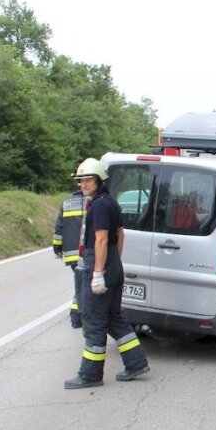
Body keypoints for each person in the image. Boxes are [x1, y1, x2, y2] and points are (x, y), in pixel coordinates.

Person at [64, 158, 150, 389]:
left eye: (88, 180)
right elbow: (120, 236)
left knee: (93, 320)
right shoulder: (111, 202)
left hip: (100, 262)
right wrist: (113, 264)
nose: (83, 184)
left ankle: (90, 375)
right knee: (113, 318)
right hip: (112, 262)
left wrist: (98, 272)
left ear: (99, 181)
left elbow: (101, 240)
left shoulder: (99, 206)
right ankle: (136, 363)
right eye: (81, 180)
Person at [52, 185, 85, 328]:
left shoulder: (67, 202)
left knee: (80, 285)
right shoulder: (95, 201)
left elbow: (59, 227)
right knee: (83, 286)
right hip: (86, 253)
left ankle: (77, 317)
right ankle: (77, 317)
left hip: (71, 254)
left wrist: (57, 247)